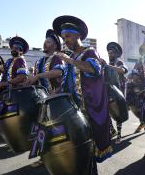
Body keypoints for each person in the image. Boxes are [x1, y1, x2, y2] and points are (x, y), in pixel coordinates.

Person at [25, 15, 112, 175]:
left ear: (78, 36)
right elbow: (66, 82)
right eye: (64, 38)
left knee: (90, 148)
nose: (66, 41)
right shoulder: (71, 57)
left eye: (68, 36)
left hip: (89, 110)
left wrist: (69, 61)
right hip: (73, 110)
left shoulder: (89, 52)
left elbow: (93, 69)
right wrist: (53, 96)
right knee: (78, 149)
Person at [103, 42, 128, 144]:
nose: (110, 55)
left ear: (116, 54)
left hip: (118, 92)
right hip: (107, 92)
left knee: (118, 114)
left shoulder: (119, 62)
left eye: (112, 53)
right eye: (109, 53)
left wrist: (109, 66)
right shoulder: (106, 64)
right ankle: (112, 130)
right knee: (106, 112)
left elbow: (122, 70)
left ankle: (119, 135)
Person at [32, 29, 63, 94]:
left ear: (55, 46)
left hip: (58, 98)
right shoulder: (39, 62)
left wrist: (38, 76)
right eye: (45, 42)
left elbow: (58, 72)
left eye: (48, 42)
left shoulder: (58, 57)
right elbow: (35, 80)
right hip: (42, 97)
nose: (45, 44)